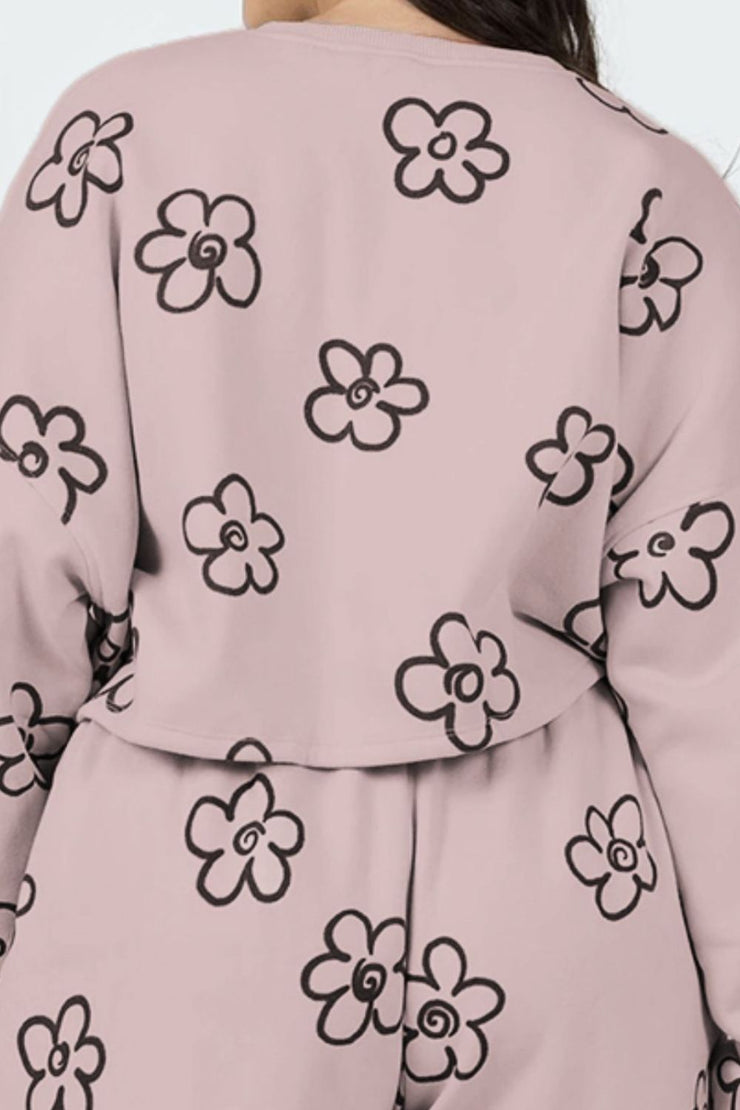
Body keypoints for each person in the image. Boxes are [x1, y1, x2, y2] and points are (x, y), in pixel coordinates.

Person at [0, 0, 739, 1105]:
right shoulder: (653, 183)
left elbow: (21, 578)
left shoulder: (122, 134)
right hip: (566, 892)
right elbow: (714, 672)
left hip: (192, 894)